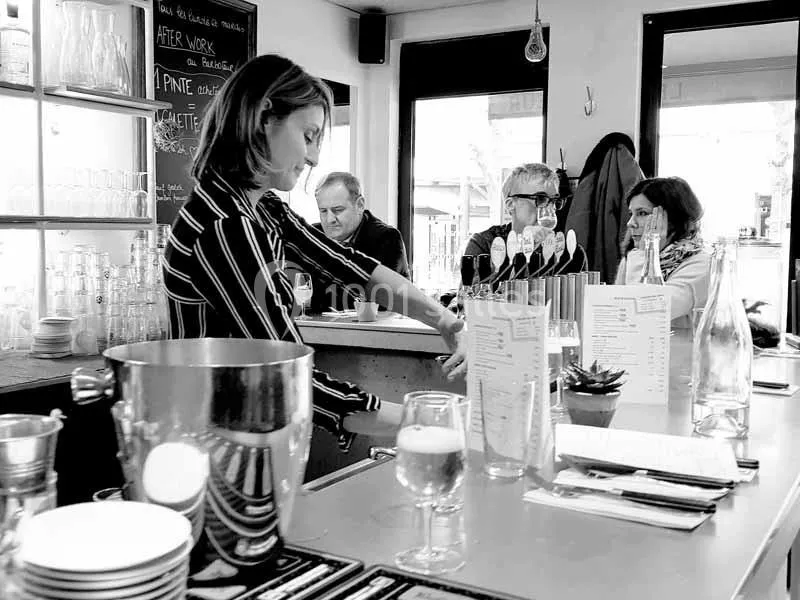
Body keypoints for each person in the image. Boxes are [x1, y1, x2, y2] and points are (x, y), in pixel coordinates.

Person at [162, 54, 466, 448]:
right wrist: (432, 421)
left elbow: (348, 266)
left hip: (242, 437)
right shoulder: (225, 226)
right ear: (263, 118)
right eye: (308, 136)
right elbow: (286, 377)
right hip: (216, 446)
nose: (314, 157)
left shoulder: (263, 208)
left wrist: (445, 321)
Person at [614, 177, 710, 327]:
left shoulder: (701, 264)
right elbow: (617, 315)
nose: (630, 223)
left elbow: (645, 312)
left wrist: (647, 250)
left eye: (642, 213)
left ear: (672, 218)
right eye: (631, 213)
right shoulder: (633, 258)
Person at [464, 162, 587, 278]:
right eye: (540, 198)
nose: (550, 208)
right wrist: (522, 249)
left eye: (554, 201)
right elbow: (471, 292)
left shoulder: (571, 251)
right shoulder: (485, 243)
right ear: (510, 204)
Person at [311, 171, 409, 311]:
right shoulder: (314, 235)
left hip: (379, 323)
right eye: (323, 211)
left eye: (338, 210)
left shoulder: (387, 238)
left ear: (360, 205)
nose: (330, 219)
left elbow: (374, 300)